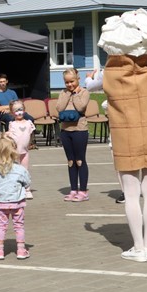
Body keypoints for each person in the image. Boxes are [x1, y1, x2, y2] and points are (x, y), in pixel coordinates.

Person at [90, 9, 147, 263]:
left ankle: (138, 247)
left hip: (126, 135)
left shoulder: (110, 74)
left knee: (131, 193)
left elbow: (89, 85)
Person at [0, 136, 31, 260]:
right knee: (19, 225)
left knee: (1, 226)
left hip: (2, 203)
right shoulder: (20, 169)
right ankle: (21, 250)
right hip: (18, 203)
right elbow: (27, 182)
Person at [54, 67, 90, 202]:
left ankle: (83, 191)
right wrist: (67, 94)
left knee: (80, 160)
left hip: (79, 129)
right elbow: (59, 108)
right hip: (65, 130)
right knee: (70, 161)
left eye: (72, 81)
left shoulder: (84, 92)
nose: (69, 85)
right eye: (67, 82)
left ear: (78, 79)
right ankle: (73, 189)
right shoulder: (63, 93)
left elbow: (81, 107)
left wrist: (75, 94)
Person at [5, 100, 35, 199]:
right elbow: (10, 135)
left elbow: (30, 134)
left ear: (24, 110)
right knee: (13, 170)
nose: (19, 112)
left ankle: (27, 189)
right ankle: (14, 188)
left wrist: (31, 143)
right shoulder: (12, 124)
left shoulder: (29, 123)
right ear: (12, 112)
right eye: (16, 110)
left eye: (20, 109)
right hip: (14, 152)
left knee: (25, 170)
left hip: (25, 151)